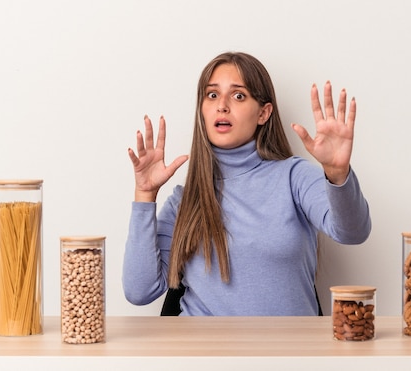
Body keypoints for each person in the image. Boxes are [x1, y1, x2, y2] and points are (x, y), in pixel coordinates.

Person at [122, 51, 371, 316]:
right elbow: (140, 291)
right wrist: (145, 195)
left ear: (263, 113)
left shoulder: (293, 177)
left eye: (238, 95)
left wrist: (337, 174)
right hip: (206, 353)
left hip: (291, 354)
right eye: (212, 95)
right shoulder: (185, 200)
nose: (222, 106)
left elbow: (352, 233)